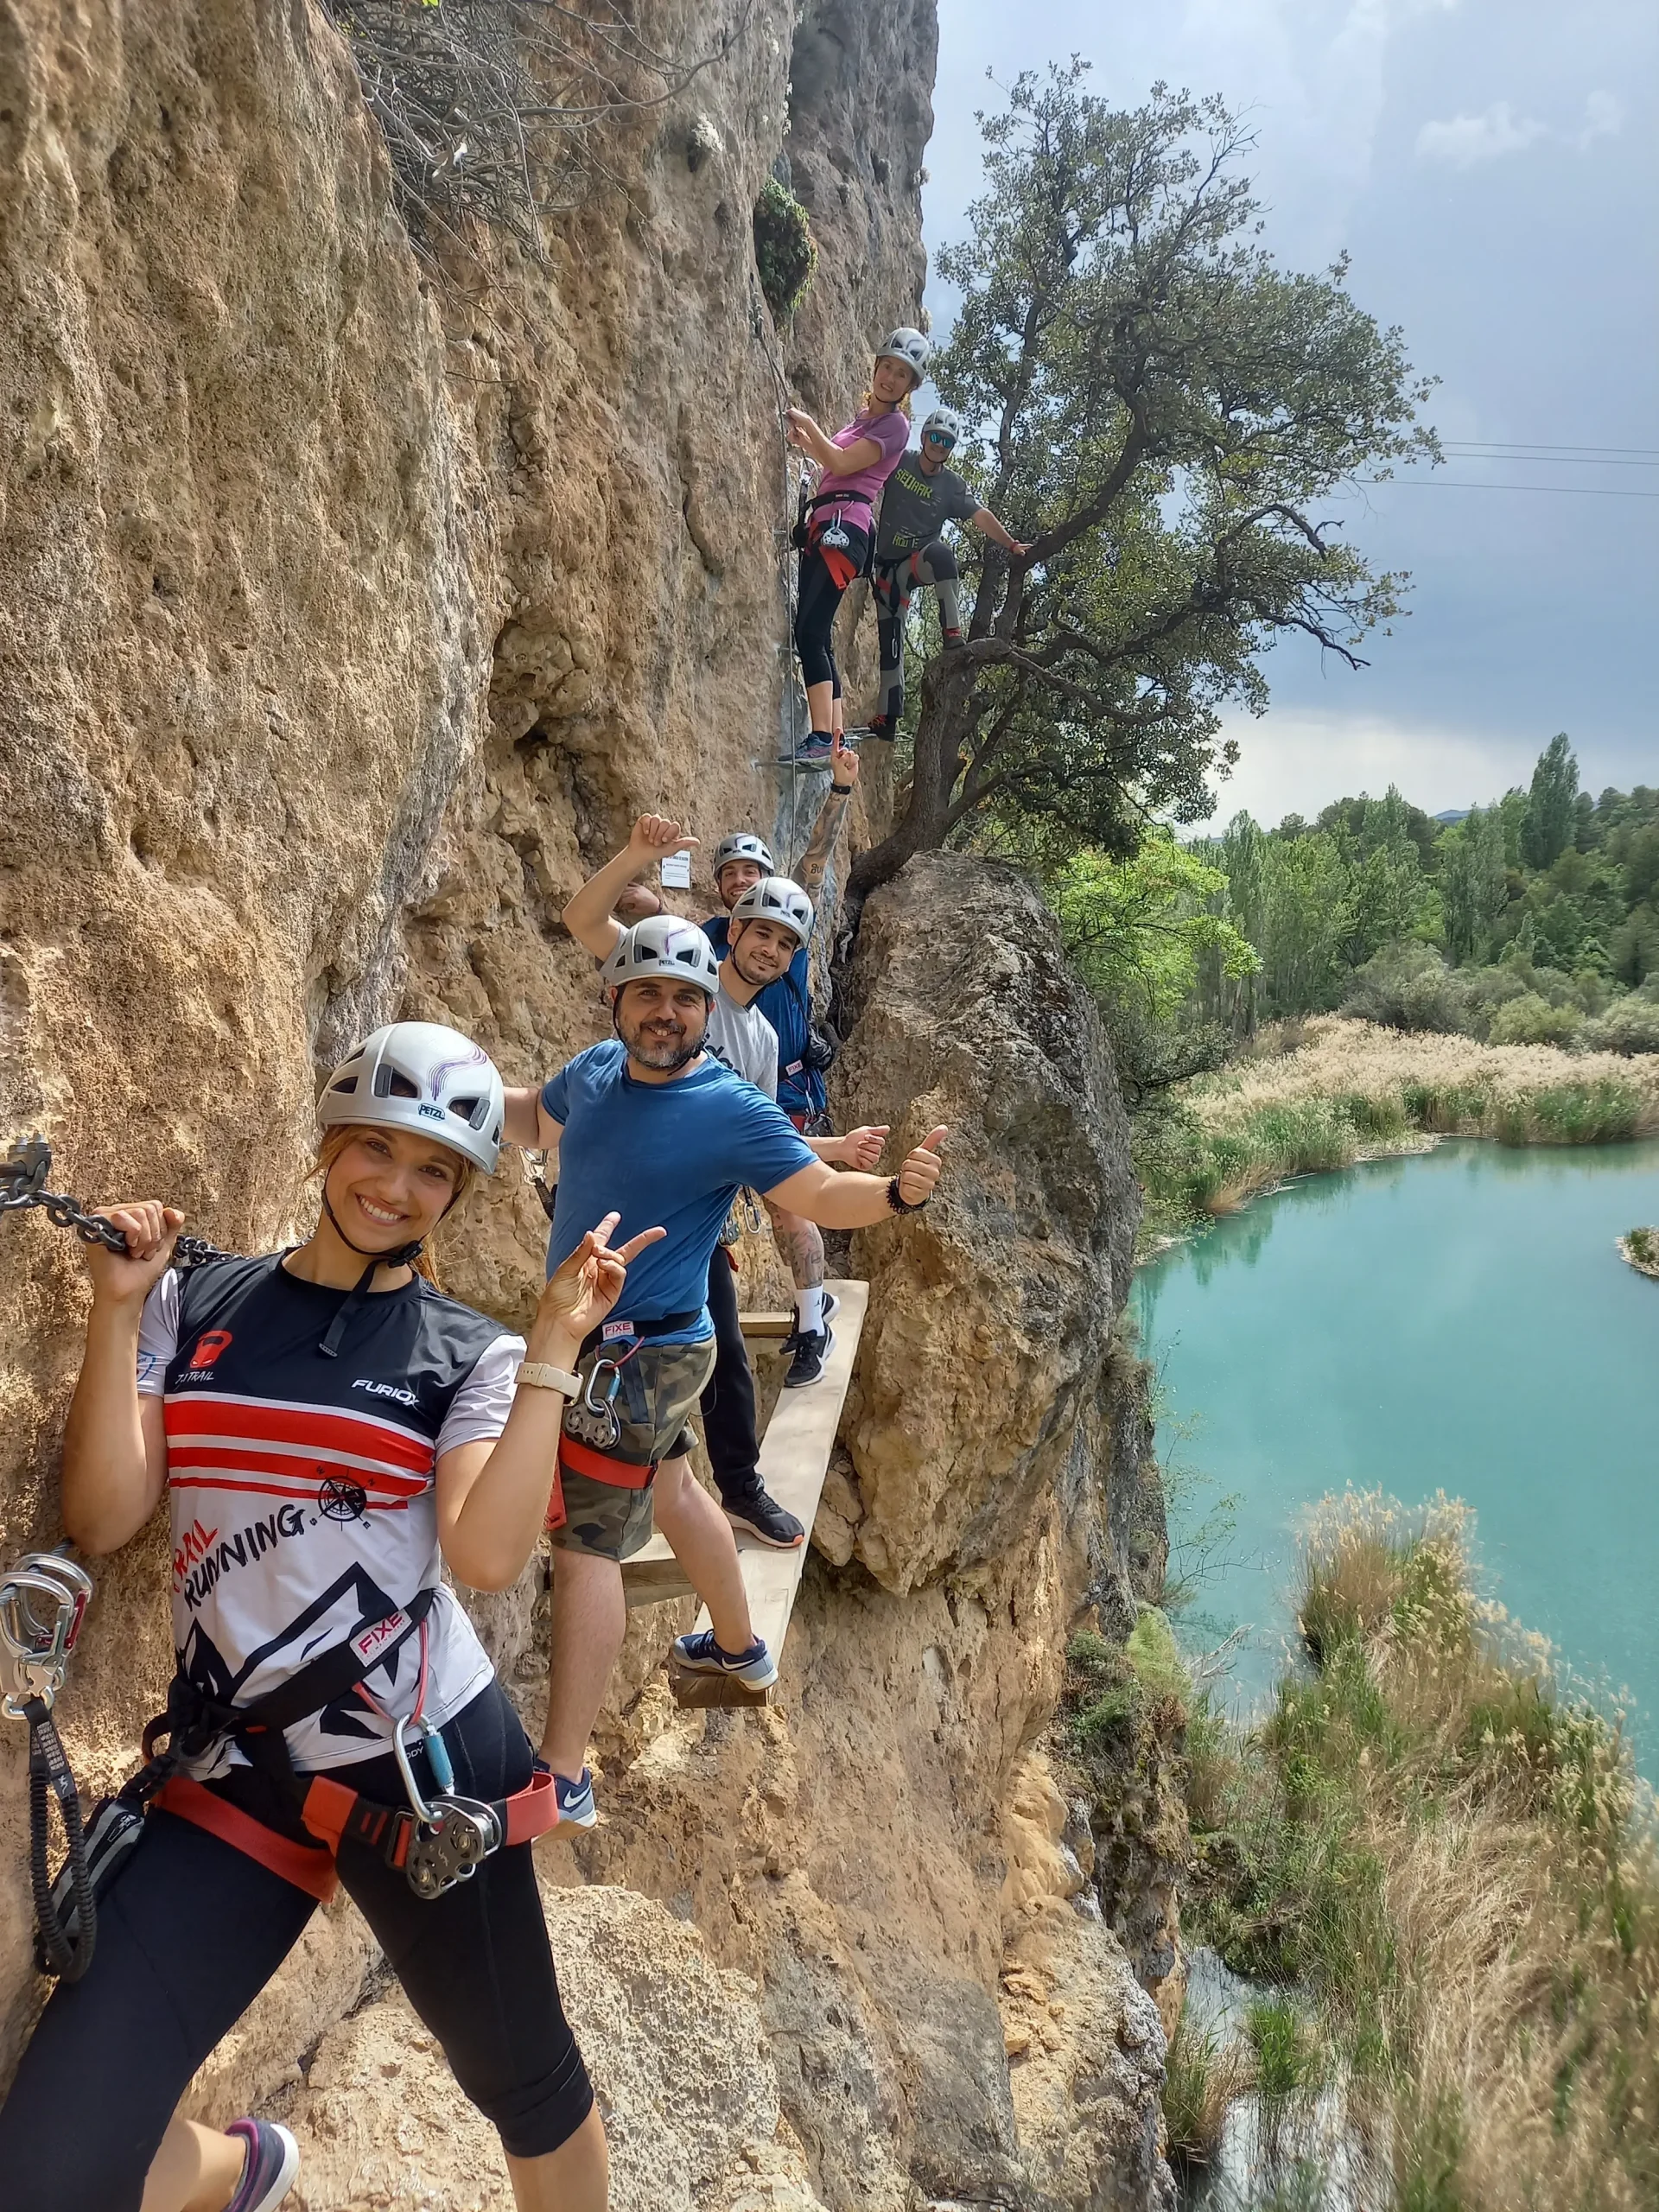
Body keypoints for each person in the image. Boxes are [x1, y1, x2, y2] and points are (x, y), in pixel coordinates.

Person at [0, 1021, 661, 2212]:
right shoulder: (197, 1299)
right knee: (44, 2173)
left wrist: (555, 1348)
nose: (395, 1189)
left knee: (525, 2084)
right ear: (327, 1146)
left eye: (432, 1172)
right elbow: (104, 1516)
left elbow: (488, 1553)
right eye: (376, 1148)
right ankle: (246, 2169)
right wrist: (116, 1310)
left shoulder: (470, 1356)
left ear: (455, 1194)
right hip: (233, 1766)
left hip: (421, 1773)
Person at [504, 930, 945, 1823]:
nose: (666, 1012)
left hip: (638, 1355)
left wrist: (896, 1192)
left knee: (587, 1542)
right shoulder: (591, 1072)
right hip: (633, 1343)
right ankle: (740, 1648)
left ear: (708, 1011)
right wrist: (458, 1089)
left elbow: (819, 1193)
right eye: (647, 994)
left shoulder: (730, 1106)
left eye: (685, 998)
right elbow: (528, 1119)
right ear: (617, 1003)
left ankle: (562, 1772)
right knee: (673, 1489)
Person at [560, 822, 885, 1541]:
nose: (770, 950)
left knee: (725, 1354)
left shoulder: (763, 1040)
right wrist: (639, 854)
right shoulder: (677, 970)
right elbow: (584, 922)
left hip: (693, 1215)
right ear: (732, 928)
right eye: (761, 932)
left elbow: (767, 1139)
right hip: (620, 1192)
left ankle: (733, 1487)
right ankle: (610, 1504)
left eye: (786, 943)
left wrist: (838, 1154)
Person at [703, 750, 861, 1385]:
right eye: (733, 874)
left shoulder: (783, 930)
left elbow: (814, 867)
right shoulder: (713, 940)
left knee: (788, 1201)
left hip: (785, 1082)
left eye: (754, 871)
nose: (744, 881)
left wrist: (840, 791)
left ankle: (812, 1321)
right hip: (722, 1087)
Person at [785, 327, 930, 763]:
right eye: (887, 367)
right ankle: (836, 737)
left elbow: (843, 462)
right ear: (876, 368)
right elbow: (834, 464)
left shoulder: (895, 425)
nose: (889, 377)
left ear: (909, 386)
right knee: (820, 635)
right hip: (830, 523)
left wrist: (809, 426)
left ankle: (820, 739)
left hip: (845, 529)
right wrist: (807, 441)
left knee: (808, 632)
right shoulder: (863, 420)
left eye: (901, 374)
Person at [866, 404, 1031, 740]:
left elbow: (980, 515)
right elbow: (870, 459)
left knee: (942, 554)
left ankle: (952, 634)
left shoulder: (952, 486)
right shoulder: (902, 460)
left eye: (947, 442)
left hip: (916, 562)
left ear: (950, 449)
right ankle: (888, 719)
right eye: (936, 437)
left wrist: (1011, 544)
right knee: (891, 641)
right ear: (925, 436)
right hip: (885, 568)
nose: (940, 445)